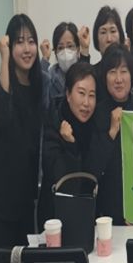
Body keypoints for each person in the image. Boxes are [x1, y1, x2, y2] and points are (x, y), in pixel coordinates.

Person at [0, 14, 50, 263]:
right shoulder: (0, 84)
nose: (27, 48)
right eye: (19, 42)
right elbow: (3, 116)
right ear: (9, 46)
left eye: (31, 41)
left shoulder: (38, 86)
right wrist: (4, 57)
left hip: (24, 200)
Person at [89, 44, 133, 224]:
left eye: (124, 71)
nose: (118, 79)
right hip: (107, 209)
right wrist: (111, 132)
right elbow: (93, 167)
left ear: (132, 75)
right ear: (104, 77)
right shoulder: (97, 113)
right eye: (112, 72)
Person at [39, 62, 98, 223]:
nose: (86, 102)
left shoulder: (95, 125)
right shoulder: (54, 120)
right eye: (81, 93)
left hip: (87, 215)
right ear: (68, 94)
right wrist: (70, 145)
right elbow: (60, 178)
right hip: (55, 217)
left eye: (92, 95)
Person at [40, 22, 91, 101]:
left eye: (70, 46)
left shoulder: (85, 71)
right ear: (55, 52)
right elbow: (39, 94)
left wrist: (85, 49)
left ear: (77, 49)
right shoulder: (51, 77)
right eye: (60, 48)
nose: (65, 52)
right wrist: (45, 59)